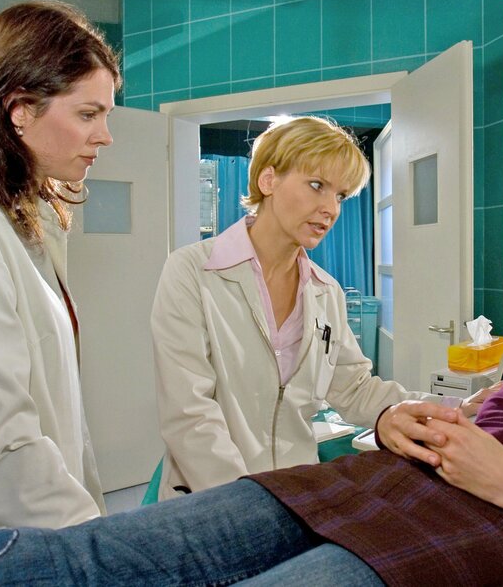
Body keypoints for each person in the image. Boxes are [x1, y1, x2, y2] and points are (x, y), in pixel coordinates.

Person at [0, 269, 503, 587]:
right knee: (93, 554)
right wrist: (402, 420)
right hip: (358, 483)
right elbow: (441, 421)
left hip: (485, 532)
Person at [150, 115, 439, 497]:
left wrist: (455, 407)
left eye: (340, 196)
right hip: (211, 499)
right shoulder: (192, 271)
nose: (331, 209)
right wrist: (244, 502)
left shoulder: (326, 291)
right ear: (268, 180)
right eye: (317, 185)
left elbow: (354, 389)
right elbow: (189, 413)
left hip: (296, 494)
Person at [0, 0, 120, 554]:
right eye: (88, 114)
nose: (105, 136)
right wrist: (95, 554)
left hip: (26, 533)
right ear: (20, 111)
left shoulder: (14, 215)